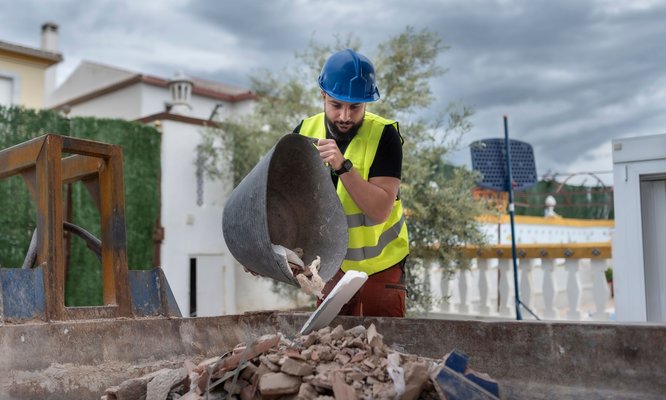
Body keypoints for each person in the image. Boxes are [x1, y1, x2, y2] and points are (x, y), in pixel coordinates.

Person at [293, 49, 410, 317]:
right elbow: (289, 202)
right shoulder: (303, 132)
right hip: (332, 264)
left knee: (385, 344)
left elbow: (380, 210)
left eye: (355, 107)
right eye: (337, 105)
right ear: (323, 95)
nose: (345, 116)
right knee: (331, 344)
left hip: (383, 266)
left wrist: (343, 167)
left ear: (366, 104)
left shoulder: (385, 136)